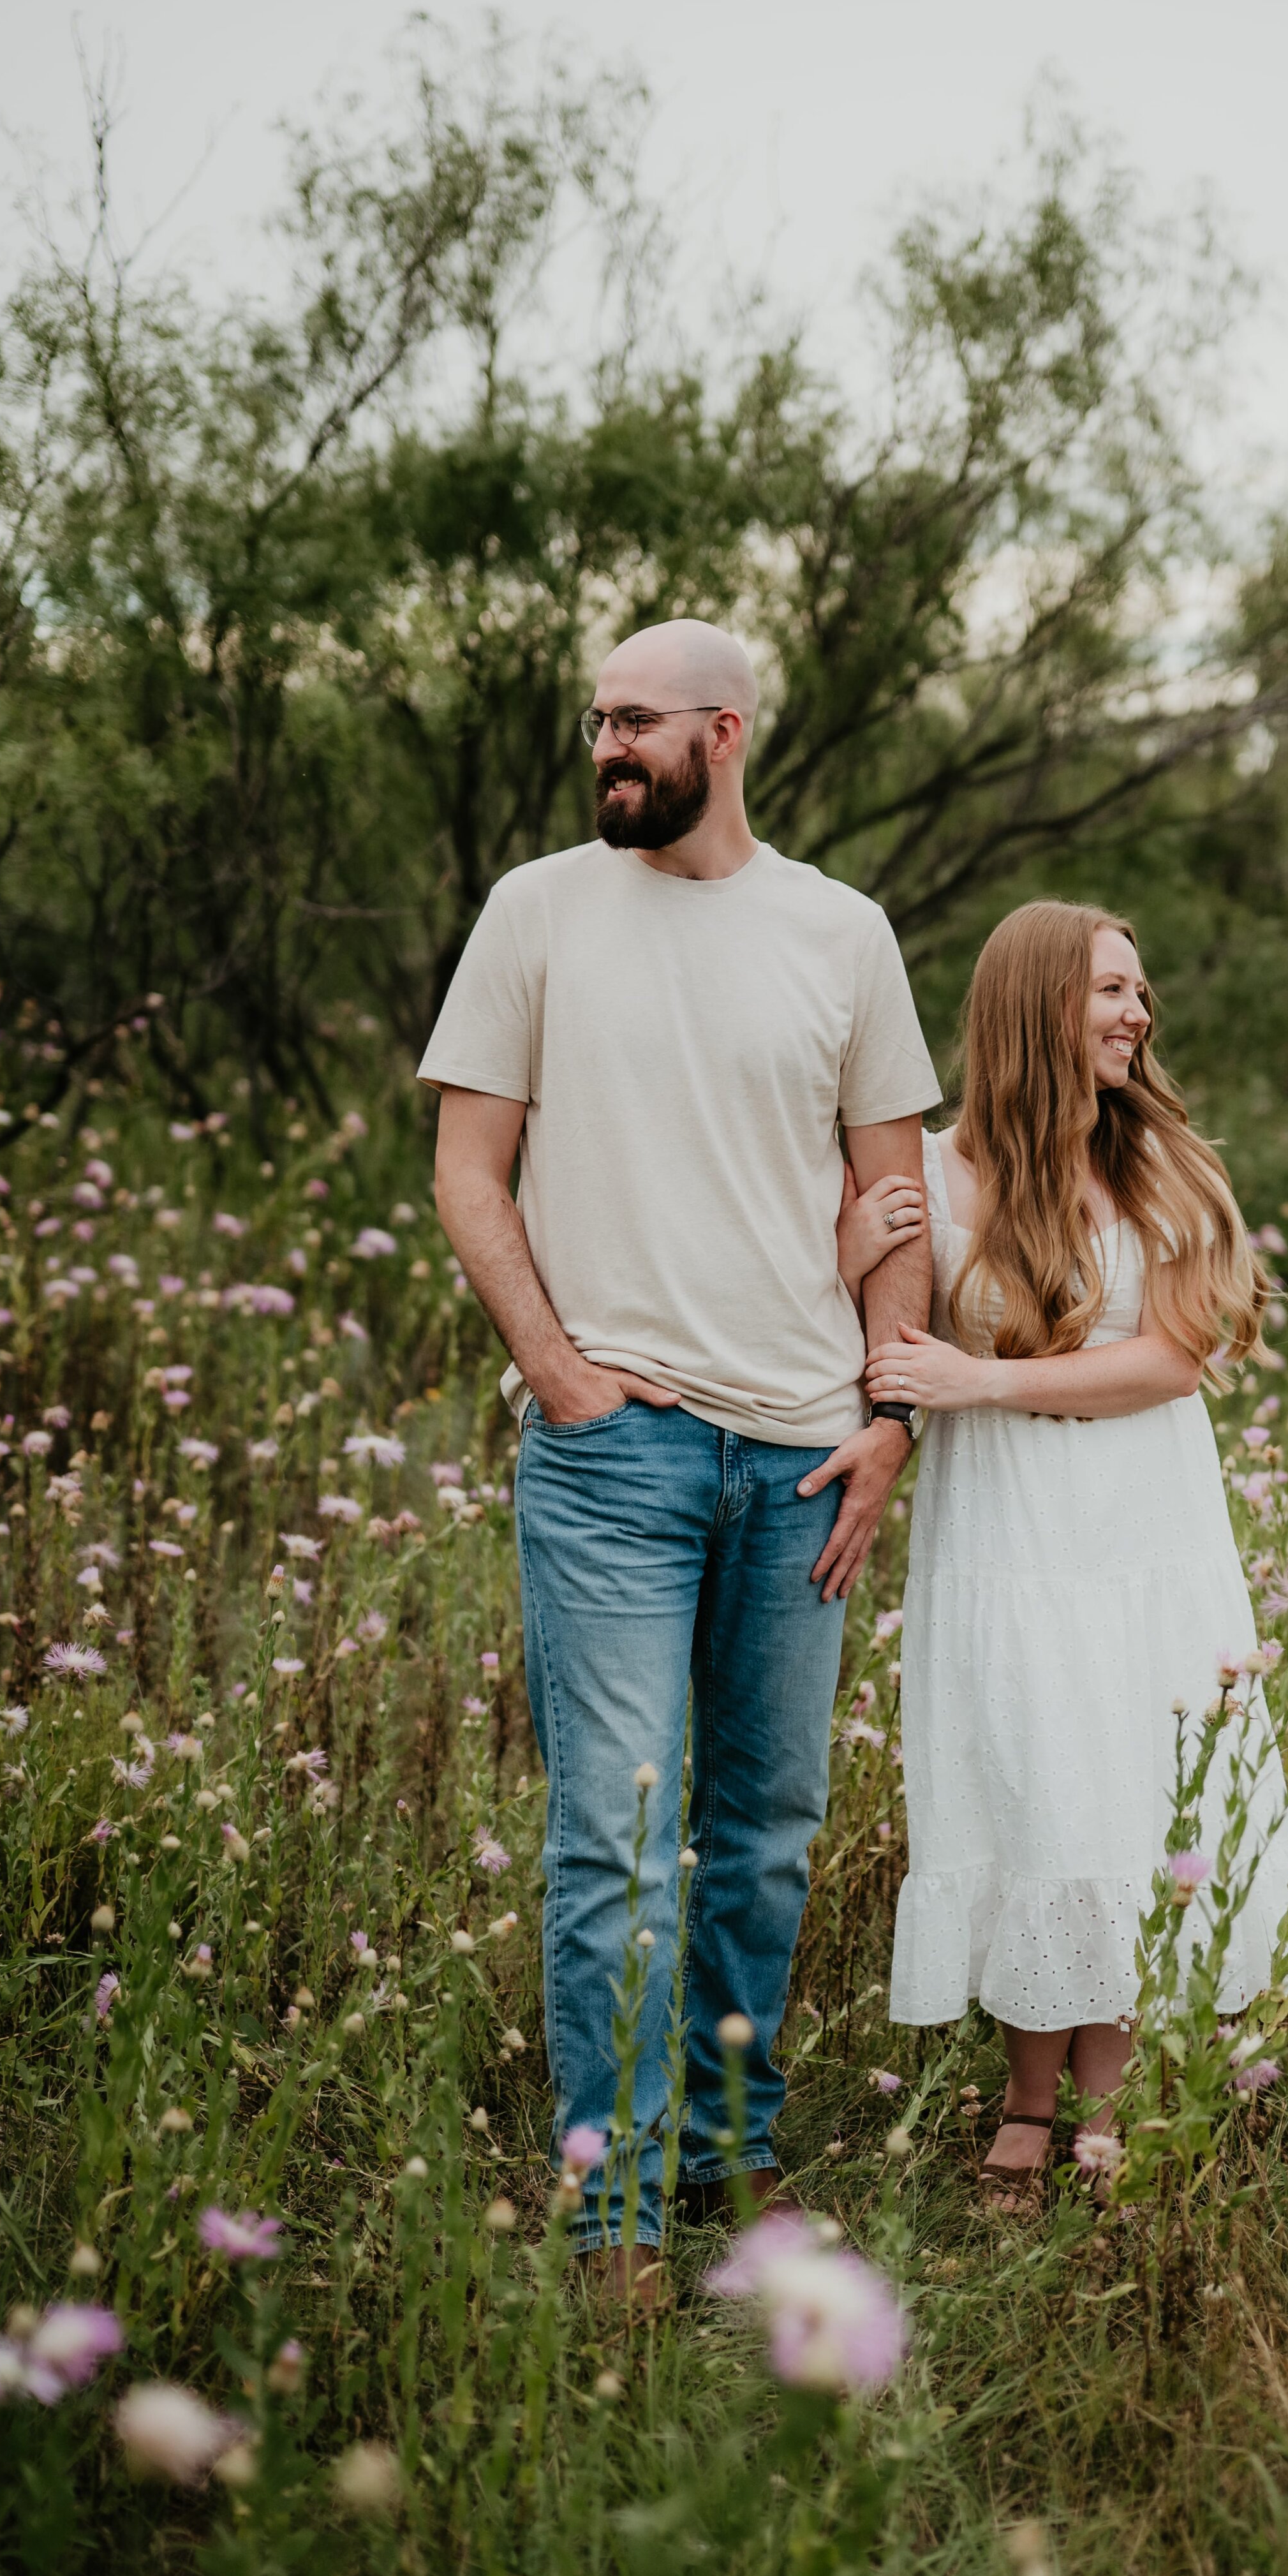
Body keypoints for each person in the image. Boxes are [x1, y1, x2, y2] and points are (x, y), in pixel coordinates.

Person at [421, 619, 940, 2291]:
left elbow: (895, 1198)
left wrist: (889, 1419)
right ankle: (618, 2208)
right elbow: (468, 1171)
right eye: (596, 720)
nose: (606, 747)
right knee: (617, 1844)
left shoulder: (841, 933)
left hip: (801, 1457)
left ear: (724, 732)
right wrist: (558, 1373)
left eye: (636, 721)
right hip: (614, 1459)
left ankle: (727, 2144)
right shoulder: (537, 912)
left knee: (768, 1831)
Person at [866, 900, 1288, 2203]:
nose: (1137, 1013)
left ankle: (1105, 2098)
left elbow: (1172, 1363)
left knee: (1131, 1790)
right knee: (1031, 1787)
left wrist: (982, 1382)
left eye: (1139, 990)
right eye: (1109, 991)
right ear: (1032, 1007)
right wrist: (847, 1255)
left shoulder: (1162, 1165)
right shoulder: (931, 1172)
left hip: (1144, 1536)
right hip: (1001, 1537)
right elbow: (865, 1334)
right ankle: (1029, 2092)